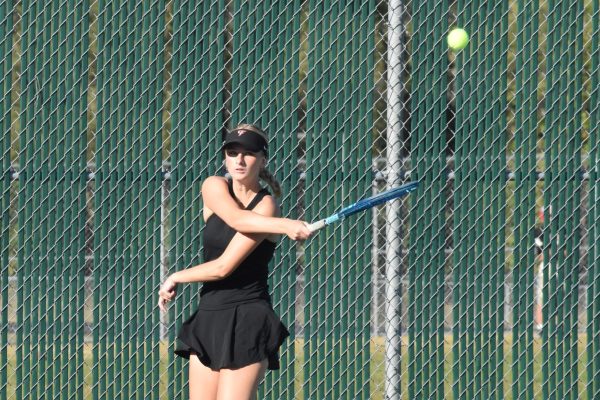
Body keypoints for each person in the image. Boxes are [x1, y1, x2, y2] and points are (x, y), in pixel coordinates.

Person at [157, 123, 312, 400]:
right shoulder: (213, 186)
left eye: (248, 153)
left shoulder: (267, 206)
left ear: (262, 159)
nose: (239, 160)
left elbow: (224, 266)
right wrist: (285, 225)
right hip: (209, 315)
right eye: (232, 152)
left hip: (248, 317)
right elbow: (236, 219)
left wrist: (176, 276)